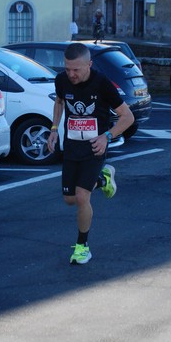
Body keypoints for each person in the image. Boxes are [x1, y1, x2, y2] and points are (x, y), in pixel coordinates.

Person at [47, 42, 134, 265]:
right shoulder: (61, 80)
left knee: (82, 196)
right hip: (72, 147)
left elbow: (127, 117)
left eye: (76, 69)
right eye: (67, 68)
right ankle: (103, 178)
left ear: (89, 64)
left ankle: (82, 247)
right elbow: (59, 102)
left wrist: (107, 137)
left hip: (95, 148)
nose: (71, 74)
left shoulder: (102, 84)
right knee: (69, 199)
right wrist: (54, 129)